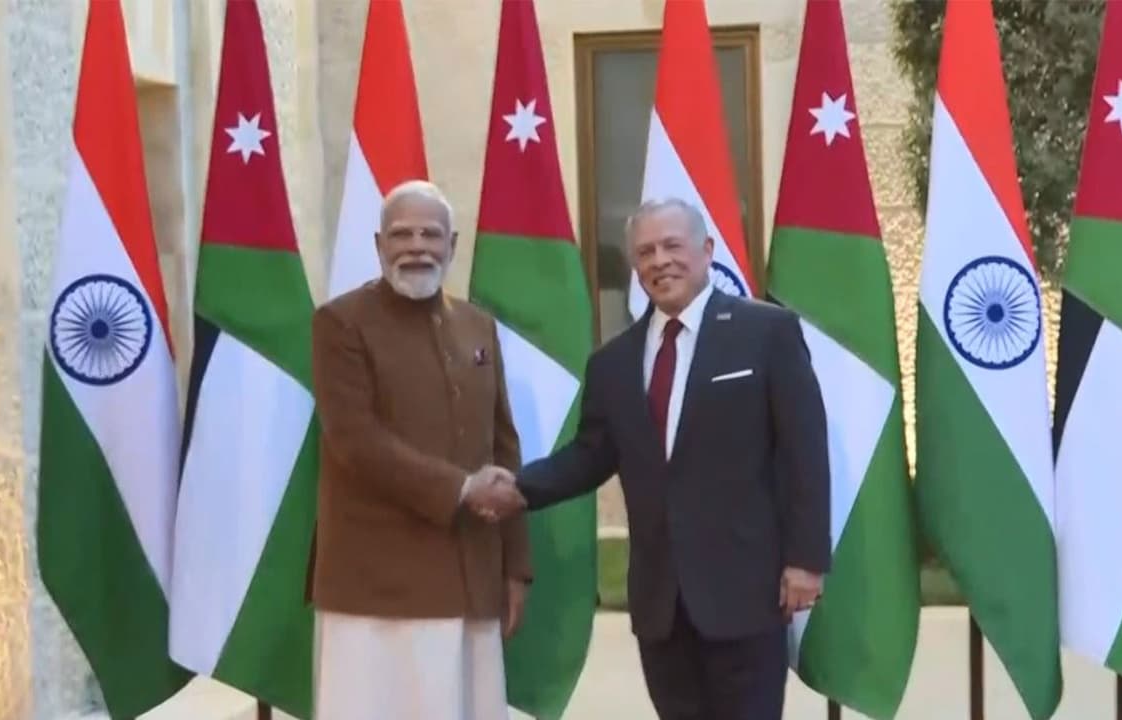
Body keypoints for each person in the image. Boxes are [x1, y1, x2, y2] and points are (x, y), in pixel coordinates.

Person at [468, 197, 831, 720]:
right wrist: (517, 490)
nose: (660, 261)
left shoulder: (766, 333)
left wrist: (806, 560)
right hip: (661, 605)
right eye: (645, 252)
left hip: (746, 593)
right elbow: (589, 456)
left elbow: (804, 450)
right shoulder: (613, 362)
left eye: (671, 246)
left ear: (706, 250)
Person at [307, 179, 531, 720]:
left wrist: (515, 566)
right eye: (401, 234)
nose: (416, 247)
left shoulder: (477, 325)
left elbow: (503, 444)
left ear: (452, 245)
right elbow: (355, 440)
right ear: (378, 244)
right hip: (378, 588)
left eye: (430, 234)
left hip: (473, 576)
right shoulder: (341, 323)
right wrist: (461, 488)